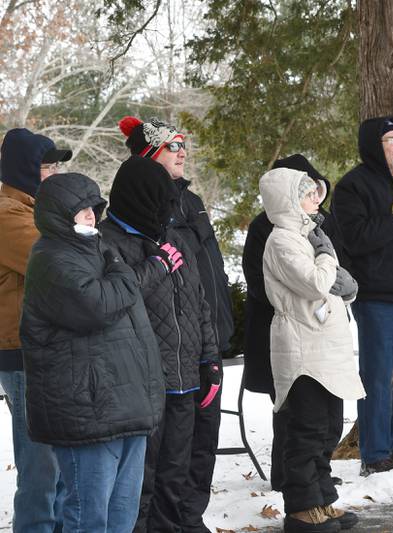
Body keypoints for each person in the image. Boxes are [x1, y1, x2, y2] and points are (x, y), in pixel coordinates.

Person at [20, 172, 164, 533]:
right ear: (58, 213)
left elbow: (119, 297)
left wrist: (118, 272)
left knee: (122, 515)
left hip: (124, 404)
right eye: (81, 209)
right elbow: (97, 305)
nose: (90, 214)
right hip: (87, 410)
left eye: (93, 207)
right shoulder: (51, 259)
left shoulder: (99, 250)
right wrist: (124, 273)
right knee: (89, 517)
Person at [119, 116, 232, 532]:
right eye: (172, 146)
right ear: (149, 153)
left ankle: (189, 519)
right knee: (158, 462)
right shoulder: (141, 211)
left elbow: (205, 276)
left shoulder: (193, 202)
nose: (183, 151)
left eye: (184, 144)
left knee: (199, 447)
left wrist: (215, 339)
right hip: (160, 361)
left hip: (202, 341)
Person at [98, 156, 219, 531]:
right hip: (142, 385)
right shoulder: (107, 242)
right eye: (161, 203)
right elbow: (113, 300)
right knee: (139, 481)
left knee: (174, 474)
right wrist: (158, 266)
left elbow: (198, 302)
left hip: (184, 378)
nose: (168, 212)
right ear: (139, 199)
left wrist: (210, 360)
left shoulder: (173, 237)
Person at [260, 166, 365, 532]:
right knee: (306, 429)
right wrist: (326, 256)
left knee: (328, 427)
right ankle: (302, 508)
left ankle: (322, 499)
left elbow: (336, 281)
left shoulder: (309, 234)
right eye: (305, 195)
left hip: (327, 348)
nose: (314, 200)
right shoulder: (282, 240)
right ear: (288, 200)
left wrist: (331, 262)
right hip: (302, 348)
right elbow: (317, 282)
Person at [242, 154, 343, 491]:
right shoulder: (267, 229)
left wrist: (336, 289)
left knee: (326, 416)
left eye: (315, 188)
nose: (314, 196)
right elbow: (259, 282)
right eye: (304, 189)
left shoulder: (321, 222)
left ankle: (318, 480)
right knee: (293, 414)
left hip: (323, 330)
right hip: (283, 329)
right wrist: (305, 297)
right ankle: (291, 480)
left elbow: (337, 266)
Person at [331, 116, 393, 476]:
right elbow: (356, 239)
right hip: (376, 298)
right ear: (374, 145)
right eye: (390, 139)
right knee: (377, 376)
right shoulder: (353, 187)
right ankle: (375, 453)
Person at [0, 127, 71, 532]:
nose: (55, 174)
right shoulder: (9, 215)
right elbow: (55, 262)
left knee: (58, 463)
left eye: (57, 165)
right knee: (40, 467)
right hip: (22, 353)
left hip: (45, 350)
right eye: (47, 166)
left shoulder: (34, 211)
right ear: (24, 170)